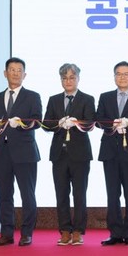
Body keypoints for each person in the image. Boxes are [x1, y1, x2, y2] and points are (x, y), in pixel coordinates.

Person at [0, 57, 42, 247]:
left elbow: (37, 121)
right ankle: (6, 233)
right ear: (5, 73)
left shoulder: (32, 96)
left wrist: (22, 123)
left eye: (19, 70)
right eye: (12, 70)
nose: (16, 73)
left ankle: (27, 233)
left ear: (24, 75)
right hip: (1, 153)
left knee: (27, 194)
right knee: (4, 194)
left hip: (25, 153)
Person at [96, 61, 128, 246]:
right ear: (114, 77)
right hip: (110, 152)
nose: (122, 77)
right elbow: (98, 120)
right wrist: (112, 124)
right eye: (119, 74)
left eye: (126, 74)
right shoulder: (105, 97)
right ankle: (115, 232)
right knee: (112, 194)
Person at [42, 63, 96, 246]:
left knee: (80, 194)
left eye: (72, 77)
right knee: (61, 194)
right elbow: (46, 124)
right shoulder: (54, 100)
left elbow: (90, 123)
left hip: (80, 154)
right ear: (61, 80)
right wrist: (58, 123)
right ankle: (65, 230)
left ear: (78, 79)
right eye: (64, 78)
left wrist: (76, 123)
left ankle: (78, 231)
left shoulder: (87, 99)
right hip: (59, 154)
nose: (68, 81)